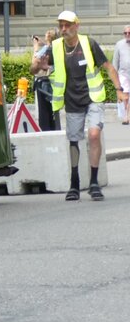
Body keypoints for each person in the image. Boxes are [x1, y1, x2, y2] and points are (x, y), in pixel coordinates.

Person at [31, 10, 126, 201]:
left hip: (93, 97)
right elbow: (34, 68)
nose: (64, 29)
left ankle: (93, 182)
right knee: (74, 142)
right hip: (72, 101)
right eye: (61, 26)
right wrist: (38, 64)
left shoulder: (88, 43)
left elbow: (108, 67)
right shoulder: (55, 47)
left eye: (67, 25)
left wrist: (119, 90)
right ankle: (74, 183)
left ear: (77, 26)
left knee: (93, 134)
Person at [31, 29, 58, 131]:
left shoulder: (47, 49)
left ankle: (46, 131)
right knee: (53, 114)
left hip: (44, 84)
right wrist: (44, 43)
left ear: (48, 38)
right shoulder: (57, 49)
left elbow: (34, 63)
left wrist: (36, 47)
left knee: (43, 113)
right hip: (55, 85)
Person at [113, 25, 130, 125]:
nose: (127, 35)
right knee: (125, 95)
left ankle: (128, 115)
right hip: (123, 73)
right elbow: (115, 61)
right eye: (125, 33)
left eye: (129, 33)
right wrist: (115, 77)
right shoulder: (119, 44)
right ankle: (125, 116)